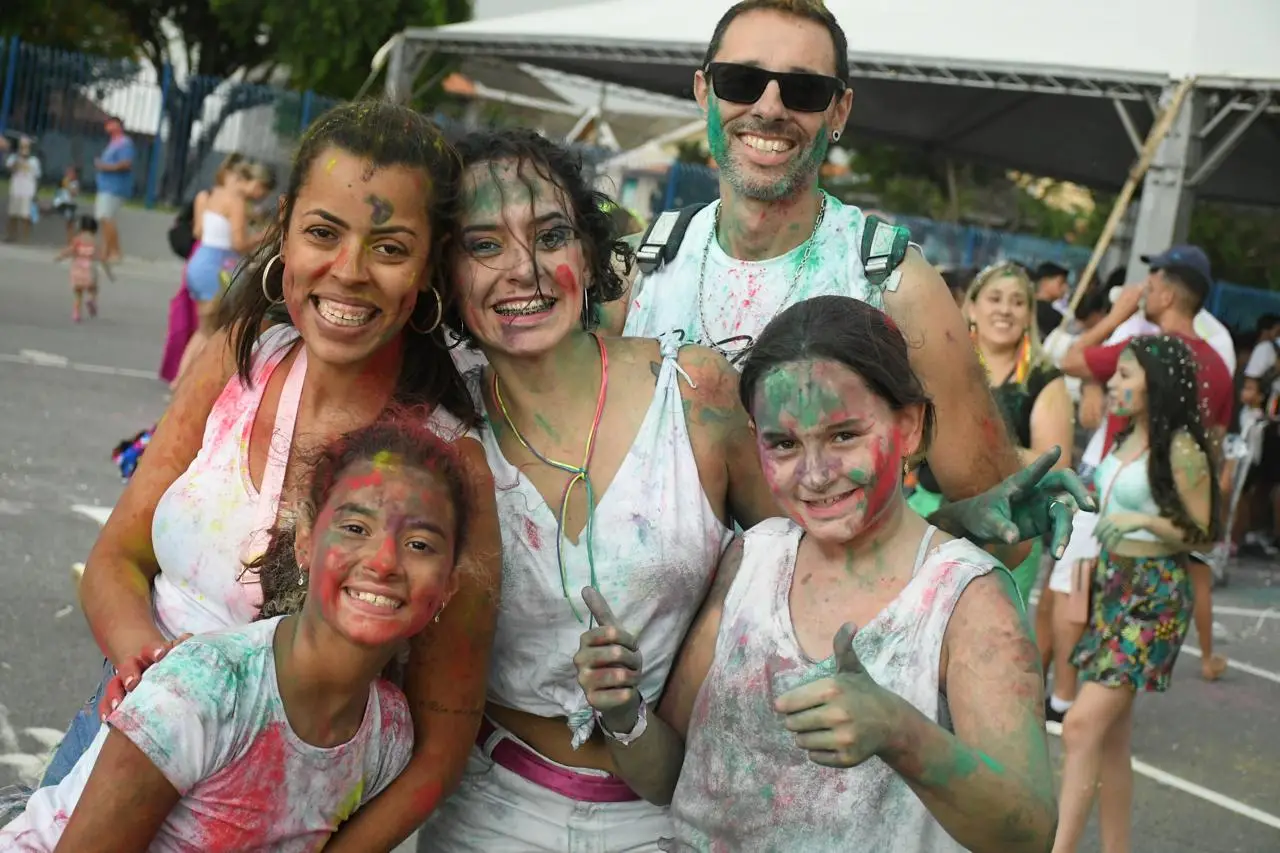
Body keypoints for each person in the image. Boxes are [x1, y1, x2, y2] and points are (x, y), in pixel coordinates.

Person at [40, 101, 502, 853]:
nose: (348, 272)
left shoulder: (447, 464)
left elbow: (442, 745)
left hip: (270, 818)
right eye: (323, 232)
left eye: (390, 247)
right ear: (283, 229)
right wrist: (151, 677)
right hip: (113, 742)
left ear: (429, 268)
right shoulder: (237, 358)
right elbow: (115, 560)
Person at [574, 296, 1057, 853]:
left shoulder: (967, 598)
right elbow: (670, 777)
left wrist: (904, 736)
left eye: (844, 436)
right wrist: (623, 712)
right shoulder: (754, 559)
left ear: (910, 427)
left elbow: (1029, 834)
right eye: (783, 444)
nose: (816, 474)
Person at [424, 126, 780, 851]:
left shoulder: (696, 394)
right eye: (485, 244)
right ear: (446, 274)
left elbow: (809, 557)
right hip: (487, 809)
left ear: (587, 253)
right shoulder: (438, 431)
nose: (524, 269)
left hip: (673, 818)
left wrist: (956, 523)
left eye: (551, 235)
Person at [613, 0, 1026, 539]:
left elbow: (999, 526)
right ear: (703, 91)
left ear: (838, 111)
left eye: (804, 91)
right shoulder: (635, 268)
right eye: (741, 80)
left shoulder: (893, 283)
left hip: (819, 618)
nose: (769, 107)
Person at [1, 413, 470, 851]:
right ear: (306, 542)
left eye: (419, 544)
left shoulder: (387, 733)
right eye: (354, 527)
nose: (384, 561)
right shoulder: (204, 689)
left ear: (448, 585)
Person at [1053, 335, 1219, 853]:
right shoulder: (1125, 439)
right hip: (1112, 585)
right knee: (1111, 741)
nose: (1114, 385)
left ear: (1158, 384)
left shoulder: (1182, 450)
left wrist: (1143, 519)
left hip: (1154, 597)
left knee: (1080, 726)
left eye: (1126, 375)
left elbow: (1203, 534)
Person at [1061, 244, 1233, 682]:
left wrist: (1116, 315)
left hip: (1147, 570)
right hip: (1130, 562)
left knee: (1088, 721)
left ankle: (1061, 701)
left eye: (1151, 284)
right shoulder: (1216, 360)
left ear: (1168, 295)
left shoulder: (1146, 351)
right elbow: (1214, 451)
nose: (1141, 293)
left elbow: (1069, 359)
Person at [962, 262, 1074, 604]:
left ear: (1029, 315)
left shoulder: (1044, 379)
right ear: (972, 307)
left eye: (1017, 302)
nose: (1005, 310)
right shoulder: (946, 364)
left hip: (1010, 529)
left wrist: (985, 444)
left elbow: (1055, 463)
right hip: (930, 513)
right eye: (995, 298)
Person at [177, 154, 270, 386]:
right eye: (259, 188)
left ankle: (180, 380)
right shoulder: (236, 201)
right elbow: (239, 244)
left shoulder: (213, 196)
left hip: (199, 262)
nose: (257, 195)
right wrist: (264, 236)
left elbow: (199, 231)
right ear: (247, 181)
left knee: (203, 330)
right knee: (216, 331)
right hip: (218, 268)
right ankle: (191, 384)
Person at [53, 216, 114, 323]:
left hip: (77, 268)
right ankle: (91, 300)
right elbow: (102, 258)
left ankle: (76, 313)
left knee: (78, 293)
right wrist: (109, 273)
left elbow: (70, 250)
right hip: (89, 268)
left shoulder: (77, 240)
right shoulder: (94, 242)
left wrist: (60, 256)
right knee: (93, 289)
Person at [93, 116, 135, 261]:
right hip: (105, 186)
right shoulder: (112, 144)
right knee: (105, 219)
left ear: (118, 125)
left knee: (107, 218)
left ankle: (115, 252)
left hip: (114, 187)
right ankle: (107, 251)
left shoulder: (124, 143)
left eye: (111, 123)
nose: (107, 126)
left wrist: (104, 166)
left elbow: (126, 164)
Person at [5, 136, 40, 244]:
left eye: (26, 146)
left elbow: (36, 176)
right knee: (13, 214)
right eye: (22, 146)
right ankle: (12, 235)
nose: (24, 149)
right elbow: (10, 168)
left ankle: (25, 238)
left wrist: (35, 193)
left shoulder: (34, 161)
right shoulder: (13, 158)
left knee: (26, 216)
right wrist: (18, 158)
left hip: (28, 191)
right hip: (16, 189)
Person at [1033, 261, 1070, 337]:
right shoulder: (1051, 316)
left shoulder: (1027, 305)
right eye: (1061, 282)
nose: (1065, 287)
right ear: (1045, 281)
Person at [53, 165, 81, 243]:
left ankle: (71, 241)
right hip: (62, 204)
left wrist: (68, 186)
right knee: (68, 224)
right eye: (67, 172)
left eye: (70, 173)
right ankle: (69, 241)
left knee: (70, 224)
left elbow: (74, 193)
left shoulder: (75, 183)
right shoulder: (63, 181)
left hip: (70, 205)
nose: (68, 174)